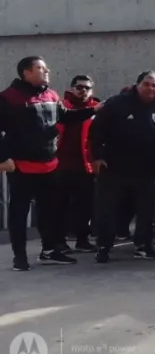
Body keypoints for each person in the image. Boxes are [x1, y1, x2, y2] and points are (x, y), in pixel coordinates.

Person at [0, 57, 99, 270]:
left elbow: (67, 117)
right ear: (26, 73)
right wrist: (2, 157)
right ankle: (20, 256)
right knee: (19, 213)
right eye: (41, 68)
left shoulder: (51, 95)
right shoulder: (8, 97)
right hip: (21, 166)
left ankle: (49, 250)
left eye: (46, 68)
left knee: (51, 211)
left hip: (49, 165)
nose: (46, 71)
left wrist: (94, 110)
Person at [89, 71, 155, 264]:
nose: (151, 88)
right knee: (109, 209)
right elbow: (96, 131)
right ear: (137, 85)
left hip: (146, 168)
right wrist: (96, 157)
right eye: (147, 84)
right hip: (114, 167)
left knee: (147, 209)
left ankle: (143, 246)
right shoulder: (117, 104)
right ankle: (103, 247)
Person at [55, 74, 101, 254]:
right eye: (79, 87)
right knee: (59, 206)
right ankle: (59, 242)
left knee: (85, 206)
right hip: (59, 165)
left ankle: (83, 240)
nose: (83, 91)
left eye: (86, 88)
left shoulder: (96, 110)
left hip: (85, 166)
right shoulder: (61, 106)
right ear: (72, 88)